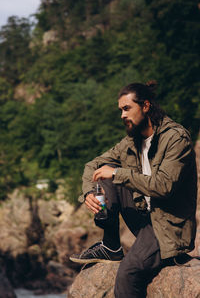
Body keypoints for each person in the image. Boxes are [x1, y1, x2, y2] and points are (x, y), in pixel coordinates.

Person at [70, 80, 197, 298]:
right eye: (120, 110)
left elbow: (164, 186)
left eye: (127, 108)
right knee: (104, 174)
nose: (122, 115)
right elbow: (92, 165)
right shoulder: (130, 142)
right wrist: (89, 193)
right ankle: (110, 246)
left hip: (167, 227)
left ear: (146, 106)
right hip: (144, 220)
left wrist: (118, 174)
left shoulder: (176, 138)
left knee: (128, 274)